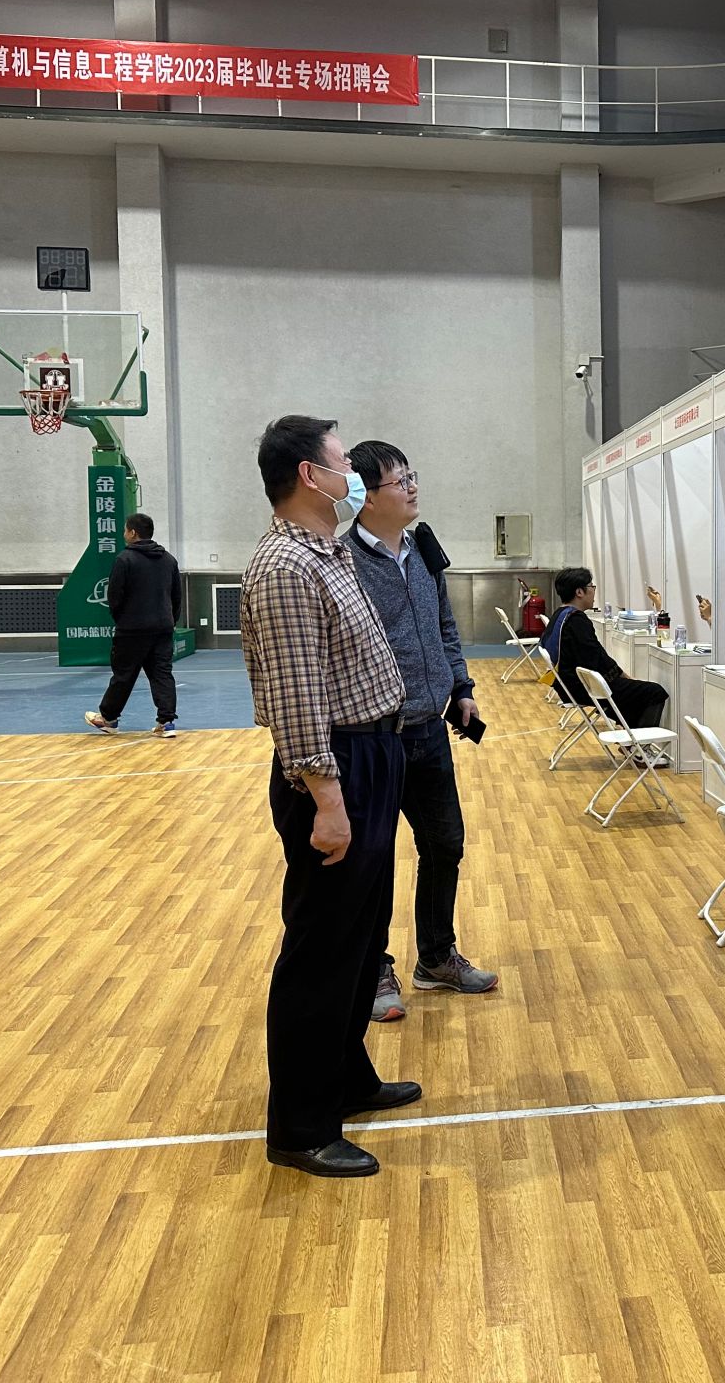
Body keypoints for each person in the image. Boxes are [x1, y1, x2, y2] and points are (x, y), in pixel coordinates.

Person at [241, 414, 417, 1178]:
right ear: (311, 476)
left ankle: (347, 1077)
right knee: (320, 950)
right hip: (334, 767)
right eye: (343, 462)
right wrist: (328, 798)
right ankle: (302, 1127)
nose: (355, 474)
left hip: (372, 754)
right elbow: (297, 696)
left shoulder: (327, 551)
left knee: (359, 935)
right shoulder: (285, 566)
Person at [344, 441, 497, 1024]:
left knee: (444, 845)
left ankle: (435, 957)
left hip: (430, 731)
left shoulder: (423, 550)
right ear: (365, 496)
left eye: (412, 476)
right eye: (399, 480)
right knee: (373, 860)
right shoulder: (343, 563)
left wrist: (461, 686)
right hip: (374, 738)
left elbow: (444, 625)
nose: (412, 487)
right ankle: (374, 967)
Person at [85, 512, 183, 738]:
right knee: (162, 674)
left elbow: (114, 597)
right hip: (162, 628)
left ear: (133, 532)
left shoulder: (124, 560)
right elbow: (176, 596)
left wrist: (123, 620)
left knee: (123, 675)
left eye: (125, 530)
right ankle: (166, 723)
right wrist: (170, 620)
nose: (124, 534)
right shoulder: (169, 560)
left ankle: (109, 719)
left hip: (132, 630)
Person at [547, 567, 669, 728]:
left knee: (632, 692)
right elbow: (596, 658)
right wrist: (623, 676)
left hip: (565, 684)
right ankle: (641, 741)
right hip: (583, 687)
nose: (594, 591)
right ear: (579, 592)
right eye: (591, 586)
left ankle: (630, 736)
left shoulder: (559, 615)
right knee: (655, 692)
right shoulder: (577, 621)